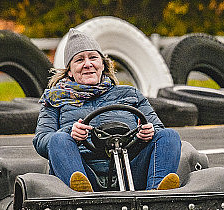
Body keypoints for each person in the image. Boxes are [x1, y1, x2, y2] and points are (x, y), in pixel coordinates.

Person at [34, 29, 182, 192]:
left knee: (169, 136)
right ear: (69, 70)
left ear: (103, 64)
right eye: (79, 60)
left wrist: (147, 133)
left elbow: (157, 129)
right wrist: (71, 133)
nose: (88, 64)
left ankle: (156, 195)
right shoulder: (54, 99)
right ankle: (83, 195)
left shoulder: (130, 94)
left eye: (93, 57)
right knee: (58, 139)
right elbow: (41, 140)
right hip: (85, 169)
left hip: (130, 171)